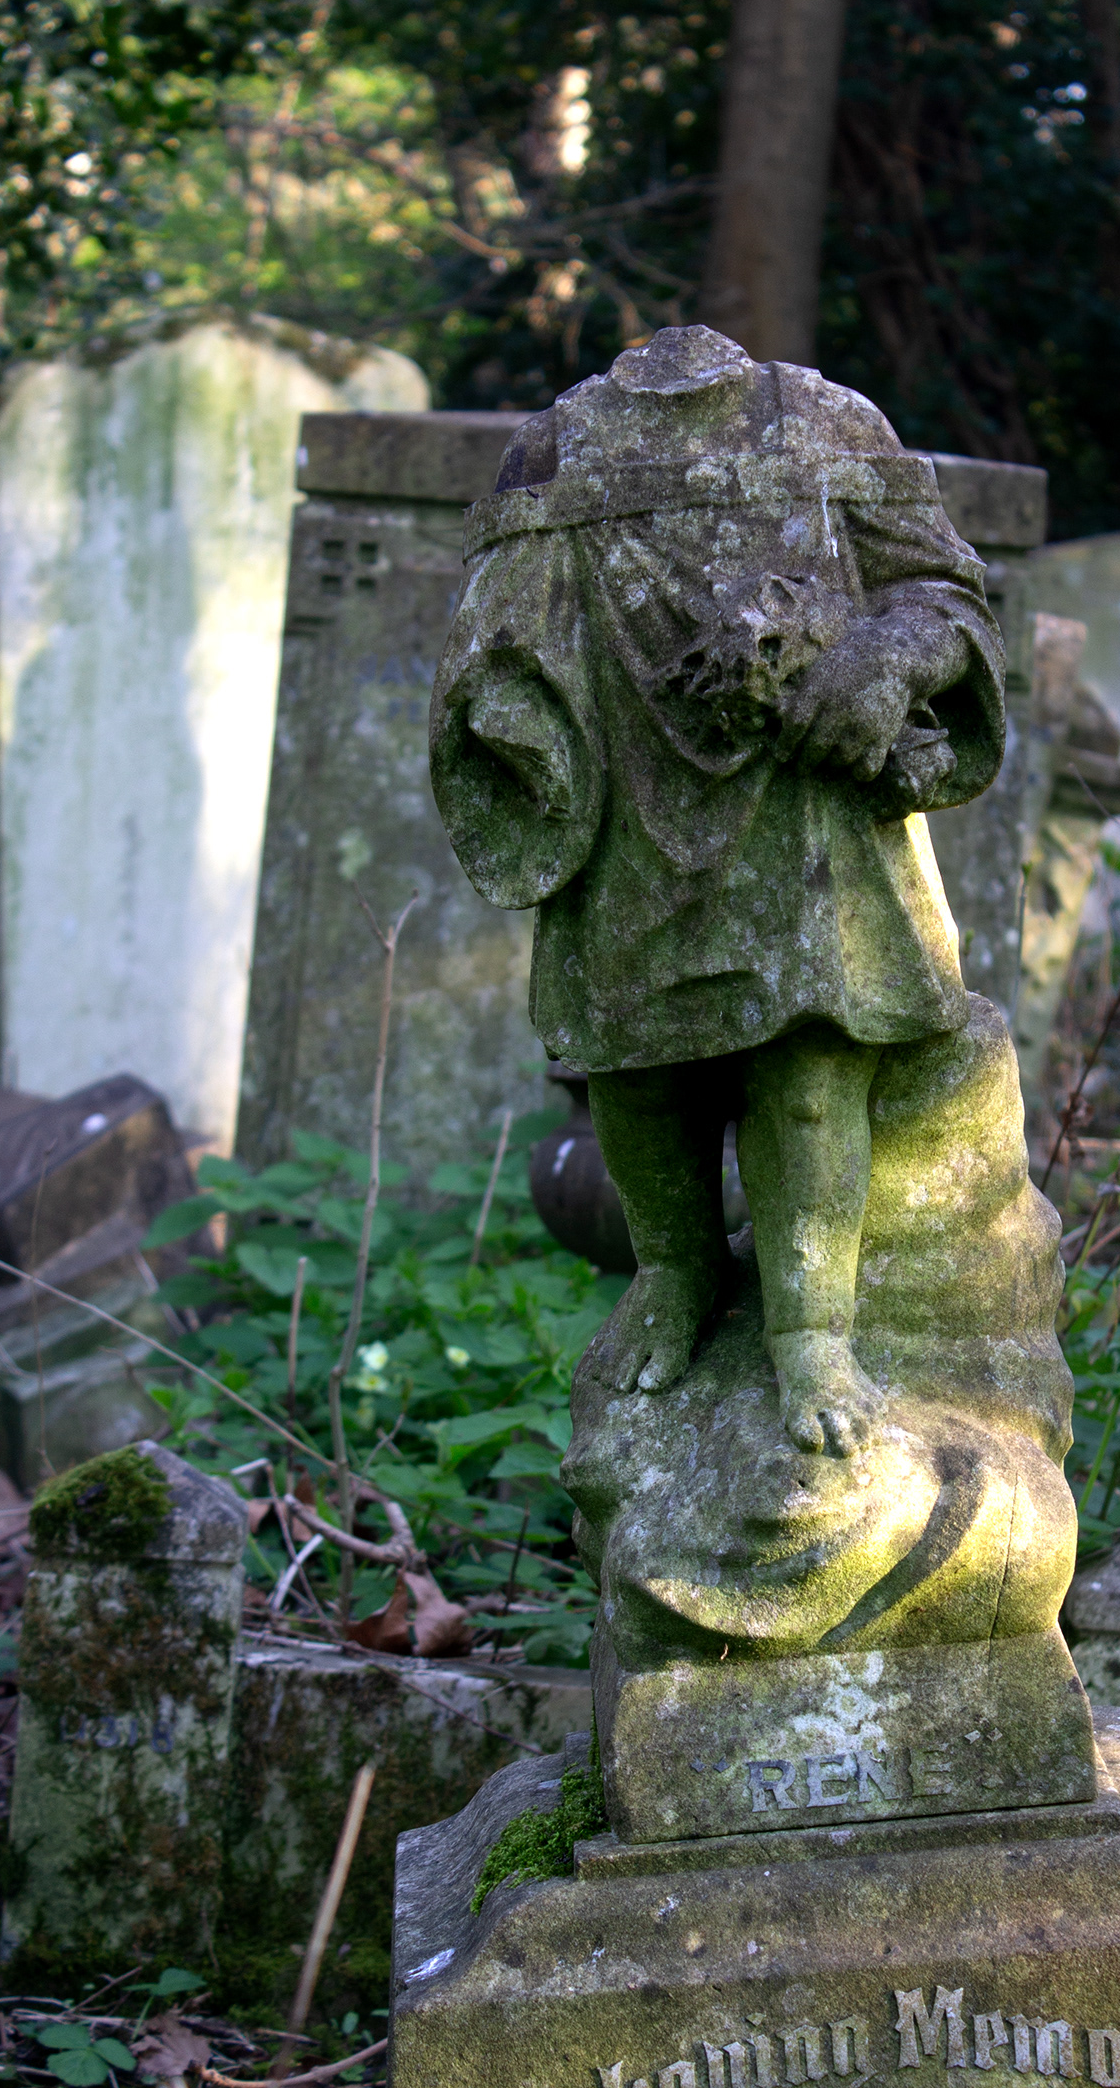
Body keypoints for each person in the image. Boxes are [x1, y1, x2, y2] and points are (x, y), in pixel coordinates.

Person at [430, 325, 1005, 1454]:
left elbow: (947, 596)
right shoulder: (555, 450)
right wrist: (511, 720)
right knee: (635, 1071)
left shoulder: (826, 421)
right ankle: (674, 1272)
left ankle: (814, 1334)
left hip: (804, 816)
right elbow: (489, 638)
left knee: (806, 1071)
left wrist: (880, 662)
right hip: (625, 807)